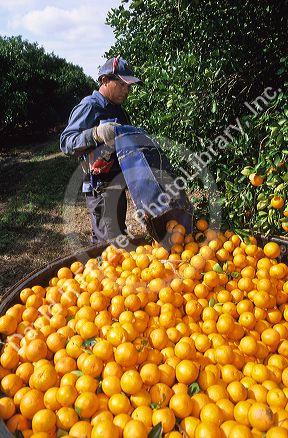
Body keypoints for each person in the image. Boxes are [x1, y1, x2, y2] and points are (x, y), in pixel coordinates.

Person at [60, 56, 141, 244]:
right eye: (121, 84)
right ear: (104, 80)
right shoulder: (90, 106)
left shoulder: (119, 110)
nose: (126, 90)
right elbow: (66, 142)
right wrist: (95, 133)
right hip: (100, 188)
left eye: (128, 86)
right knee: (108, 245)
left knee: (116, 237)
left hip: (117, 185)